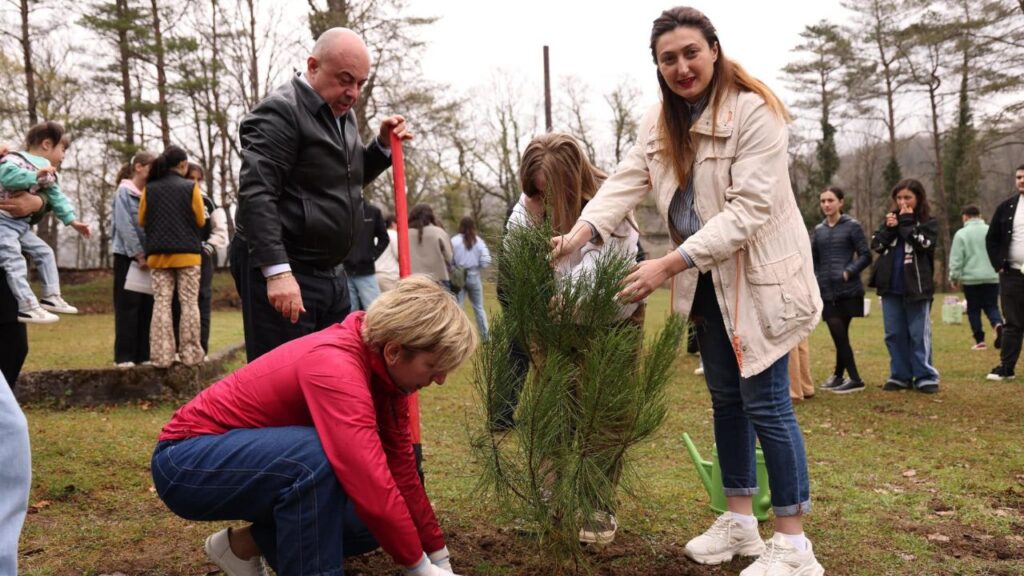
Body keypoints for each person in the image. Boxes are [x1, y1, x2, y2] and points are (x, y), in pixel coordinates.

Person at [550, 8, 824, 574]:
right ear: (657, 65)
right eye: (668, 58)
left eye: (690, 53)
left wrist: (667, 265)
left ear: (715, 50)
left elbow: (749, 211)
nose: (681, 66)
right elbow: (624, 182)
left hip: (760, 282)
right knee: (726, 401)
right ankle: (741, 522)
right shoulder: (659, 123)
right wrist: (579, 234)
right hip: (707, 282)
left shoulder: (755, 112)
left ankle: (795, 545)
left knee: (768, 404)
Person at [151, 276, 474, 576]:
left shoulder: (388, 377)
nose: (441, 380)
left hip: (246, 461)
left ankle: (241, 547)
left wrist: (438, 557)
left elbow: (402, 472)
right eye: (433, 366)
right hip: (185, 462)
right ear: (393, 351)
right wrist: (419, 569)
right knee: (321, 458)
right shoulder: (335, 365)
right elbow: (365, 475)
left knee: (367, 520)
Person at [232, 27, 411, 362]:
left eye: (360, 83)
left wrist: (382, 146)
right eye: (345, 79)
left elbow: (345, 180)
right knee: (282, 383)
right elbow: (257, 193)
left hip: (331, 273)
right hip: (290, 270)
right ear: (313, 66)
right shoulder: (280, 112)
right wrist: (278, 272)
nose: (353, 92)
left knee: (332, 375)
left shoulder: (343, 116)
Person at [514, 132, 642, 545]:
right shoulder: (527, 209)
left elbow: (606, 278)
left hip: (610, 322)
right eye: (536, 194)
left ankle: (595, 502)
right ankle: (553, 494)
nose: (544, 203)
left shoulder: (612, 209)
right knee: (554, 404)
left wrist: (569, 302)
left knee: (602, 412)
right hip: (553, 323)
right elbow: (520, 264)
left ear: (573, 183)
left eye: (551, 194)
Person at [0, 121, 91, 324]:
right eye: (63, 149)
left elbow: (56, 197)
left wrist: (72, 221)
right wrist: (34, 176)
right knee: (14, 262)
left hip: (19, 226)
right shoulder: (14, 159)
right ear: (47, 144)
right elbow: (7, 178)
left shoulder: (47, 172)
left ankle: (50, 296)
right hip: (3, 223)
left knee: (45, 252)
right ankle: (27, 306)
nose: (64, 155)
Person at [870, 178, 940, 394]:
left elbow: (924, 243)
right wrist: (890, 230)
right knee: (894, 334)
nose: (902, 202)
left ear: (918, 198)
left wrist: (907, 222)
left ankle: (925, 376)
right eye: (899, 198)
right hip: (890, 286)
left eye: (907, 197)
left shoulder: (929, 222)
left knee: (918, 334)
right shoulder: (890, 221)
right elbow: (877, 245)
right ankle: (900, 375)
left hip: (917, 287)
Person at [139, 145, 206, 368]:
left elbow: (141, 220)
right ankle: (191, 354)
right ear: (183, 165)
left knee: (161, 304)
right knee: (188, 303)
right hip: (188, 255)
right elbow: (200, 219)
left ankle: (161, 355)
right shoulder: (190, 187)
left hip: (157, 256)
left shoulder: (150, 188)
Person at [811, 186, 871, 393]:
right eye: (823, 201)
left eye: (830, 200)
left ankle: (855, 379)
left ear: (841, 202)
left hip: (848, 290)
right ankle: (838, 375)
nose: (826, 205)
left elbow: (866, 255)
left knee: (840, 335)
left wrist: (849, 271)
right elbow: (814, 259)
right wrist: (817, 277)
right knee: (839, 334)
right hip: (827, 291)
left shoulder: (852, 226)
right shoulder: (818, 230)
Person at [172, 162, 229, 357]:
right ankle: (178, 349)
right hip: (178, 259)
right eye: (191, 178)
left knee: (202, 301)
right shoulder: (174, 201)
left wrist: (208, 248)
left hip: (202, 260)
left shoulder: (208, 202)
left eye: (198, 179)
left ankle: (201, 349)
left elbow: (220, 231)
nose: (195, 183)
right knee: (177, 303)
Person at [112, 151, 157, 367]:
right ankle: (124, 356)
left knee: (146, 306)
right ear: (139, 167)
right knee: (127, 307)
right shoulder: (123, 192)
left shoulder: (151, 192)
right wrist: (138, 254)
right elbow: (125, 226)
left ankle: (143, 355)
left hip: (150, 259)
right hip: (127, 257)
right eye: (151, 166)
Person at [985, 164, 1024, 381]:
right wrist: (997, 263)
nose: (1021, 181)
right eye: (1018, 177)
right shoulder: (1007, 207)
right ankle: (1006, 367)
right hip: (1012, 275)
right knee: (1013, 323)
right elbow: (992, 238)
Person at [949, 205, 1001, 351]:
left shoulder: (961, 234)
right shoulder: (990, 230)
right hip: (992, 276)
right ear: (980, 215)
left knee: (973, 309)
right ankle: (998, 324)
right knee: (992, 306)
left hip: (971, 279)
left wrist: (954, 277)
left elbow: (957, 259)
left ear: (965, 217)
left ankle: (980, 340)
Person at [450, 216, 491, 340]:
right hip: (474, 275)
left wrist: (454, 267)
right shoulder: (478, 241)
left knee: (459, 307)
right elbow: (486, 259)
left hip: (458, 276)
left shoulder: (454, 241)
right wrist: (479, 266)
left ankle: (460, 337)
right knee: (479, 307)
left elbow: (449, 259)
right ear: (473, 226)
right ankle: (485, 338)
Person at [344, 201, 389, 310]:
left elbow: (384, 238)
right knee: (349, 312)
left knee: (374, 310)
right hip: (345, 272)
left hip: (365, 271)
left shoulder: (373, 212)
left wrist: (371, 256)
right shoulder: (342, 211)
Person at [407, 204, 453, 289]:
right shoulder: (439, 232)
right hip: (438, 279)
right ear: (431, 216)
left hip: (412, 280)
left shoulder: (404, 234)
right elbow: (450, 257)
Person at [375, 214, 400, 292]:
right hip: (390, 275)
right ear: (393, 224)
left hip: (376, 274)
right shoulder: (394, 234)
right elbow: (399, 255)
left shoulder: (378, 236)